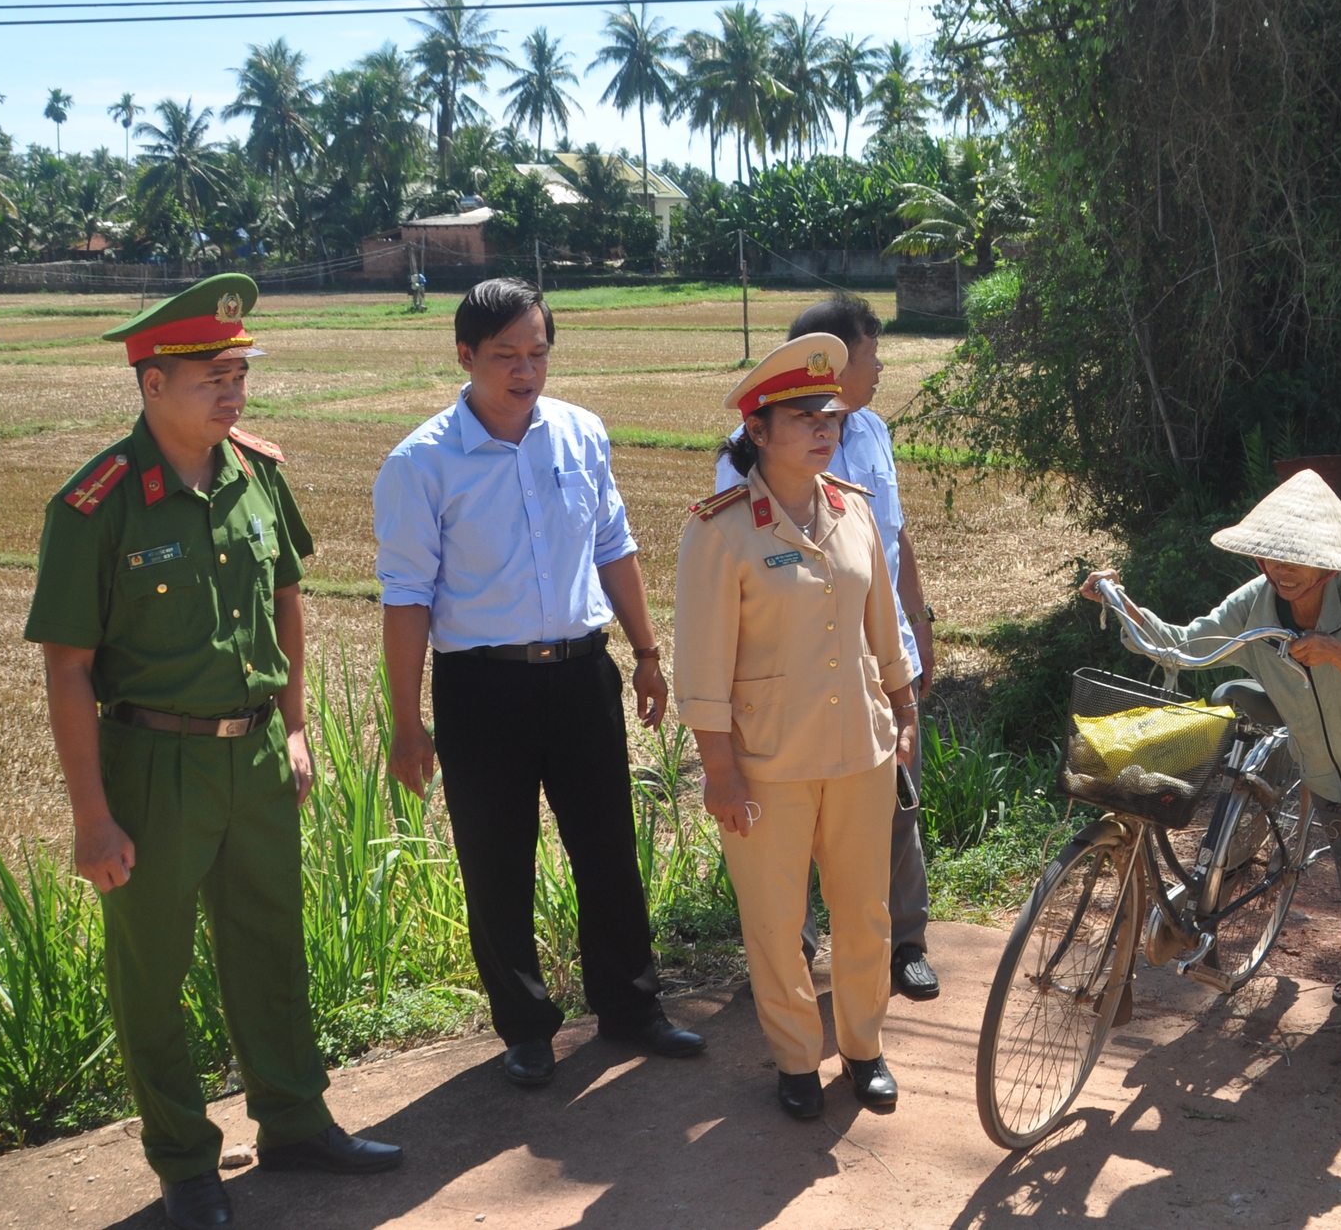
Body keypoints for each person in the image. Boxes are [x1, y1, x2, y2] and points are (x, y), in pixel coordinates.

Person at [25, 274, 400, 1230]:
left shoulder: (256, 473)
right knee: (152, 970)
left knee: (271, 945)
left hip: (257, 753)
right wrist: (91, 816)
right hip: (152, 765)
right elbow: (68, 667)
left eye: (239, 372)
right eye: (210, 376)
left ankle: (296, 1123)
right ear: (152, 384)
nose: (233, 392)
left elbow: (286, 601)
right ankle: (186, 1162)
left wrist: (299, 725)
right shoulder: (97, 503)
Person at [374, 278, 703, 1090]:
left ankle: (633, 1007)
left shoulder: (581, 433)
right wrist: (408, 724)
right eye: (506, 357)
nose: (526, 371)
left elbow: (614, 546)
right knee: (496, 859)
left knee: (608, 846)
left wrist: (647, 652)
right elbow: (407, 597)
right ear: (464, 357)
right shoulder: (421, 463)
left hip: (582, 673)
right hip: (481, 690)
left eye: (538, 353)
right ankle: (525, 1027)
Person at [1080, 468, 1341, 1054]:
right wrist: (1123, 605)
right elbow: (1183, 645)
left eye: (1297, 557)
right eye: (1272, 556)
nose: (1283, 568)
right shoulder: (1255, 604)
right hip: (1323, 767)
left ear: (1329, 561)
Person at [676, 332, 920, 1120]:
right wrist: (720, 769)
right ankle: (792, 1058)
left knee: (865, 911)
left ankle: (863, 1049)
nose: (826, 428)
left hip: (860, 751)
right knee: (776, 925)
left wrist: (904, 710)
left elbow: (883, 627)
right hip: (766, 762)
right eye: (805, 416)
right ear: (757, 429)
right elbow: (702, 664)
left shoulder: (853, 511)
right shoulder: (720, 531)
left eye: (832, 415)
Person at [714, 293, 942, 1000]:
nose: (878, 370)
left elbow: (893, 535)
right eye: (870, 355)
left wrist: (918, 624)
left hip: (879, 655)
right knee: (793, 820)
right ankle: (797, 951)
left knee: (894, 804)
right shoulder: (740, 464)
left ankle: (905, 942)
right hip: (794, 674)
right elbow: (738, 575)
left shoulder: (871, 432)